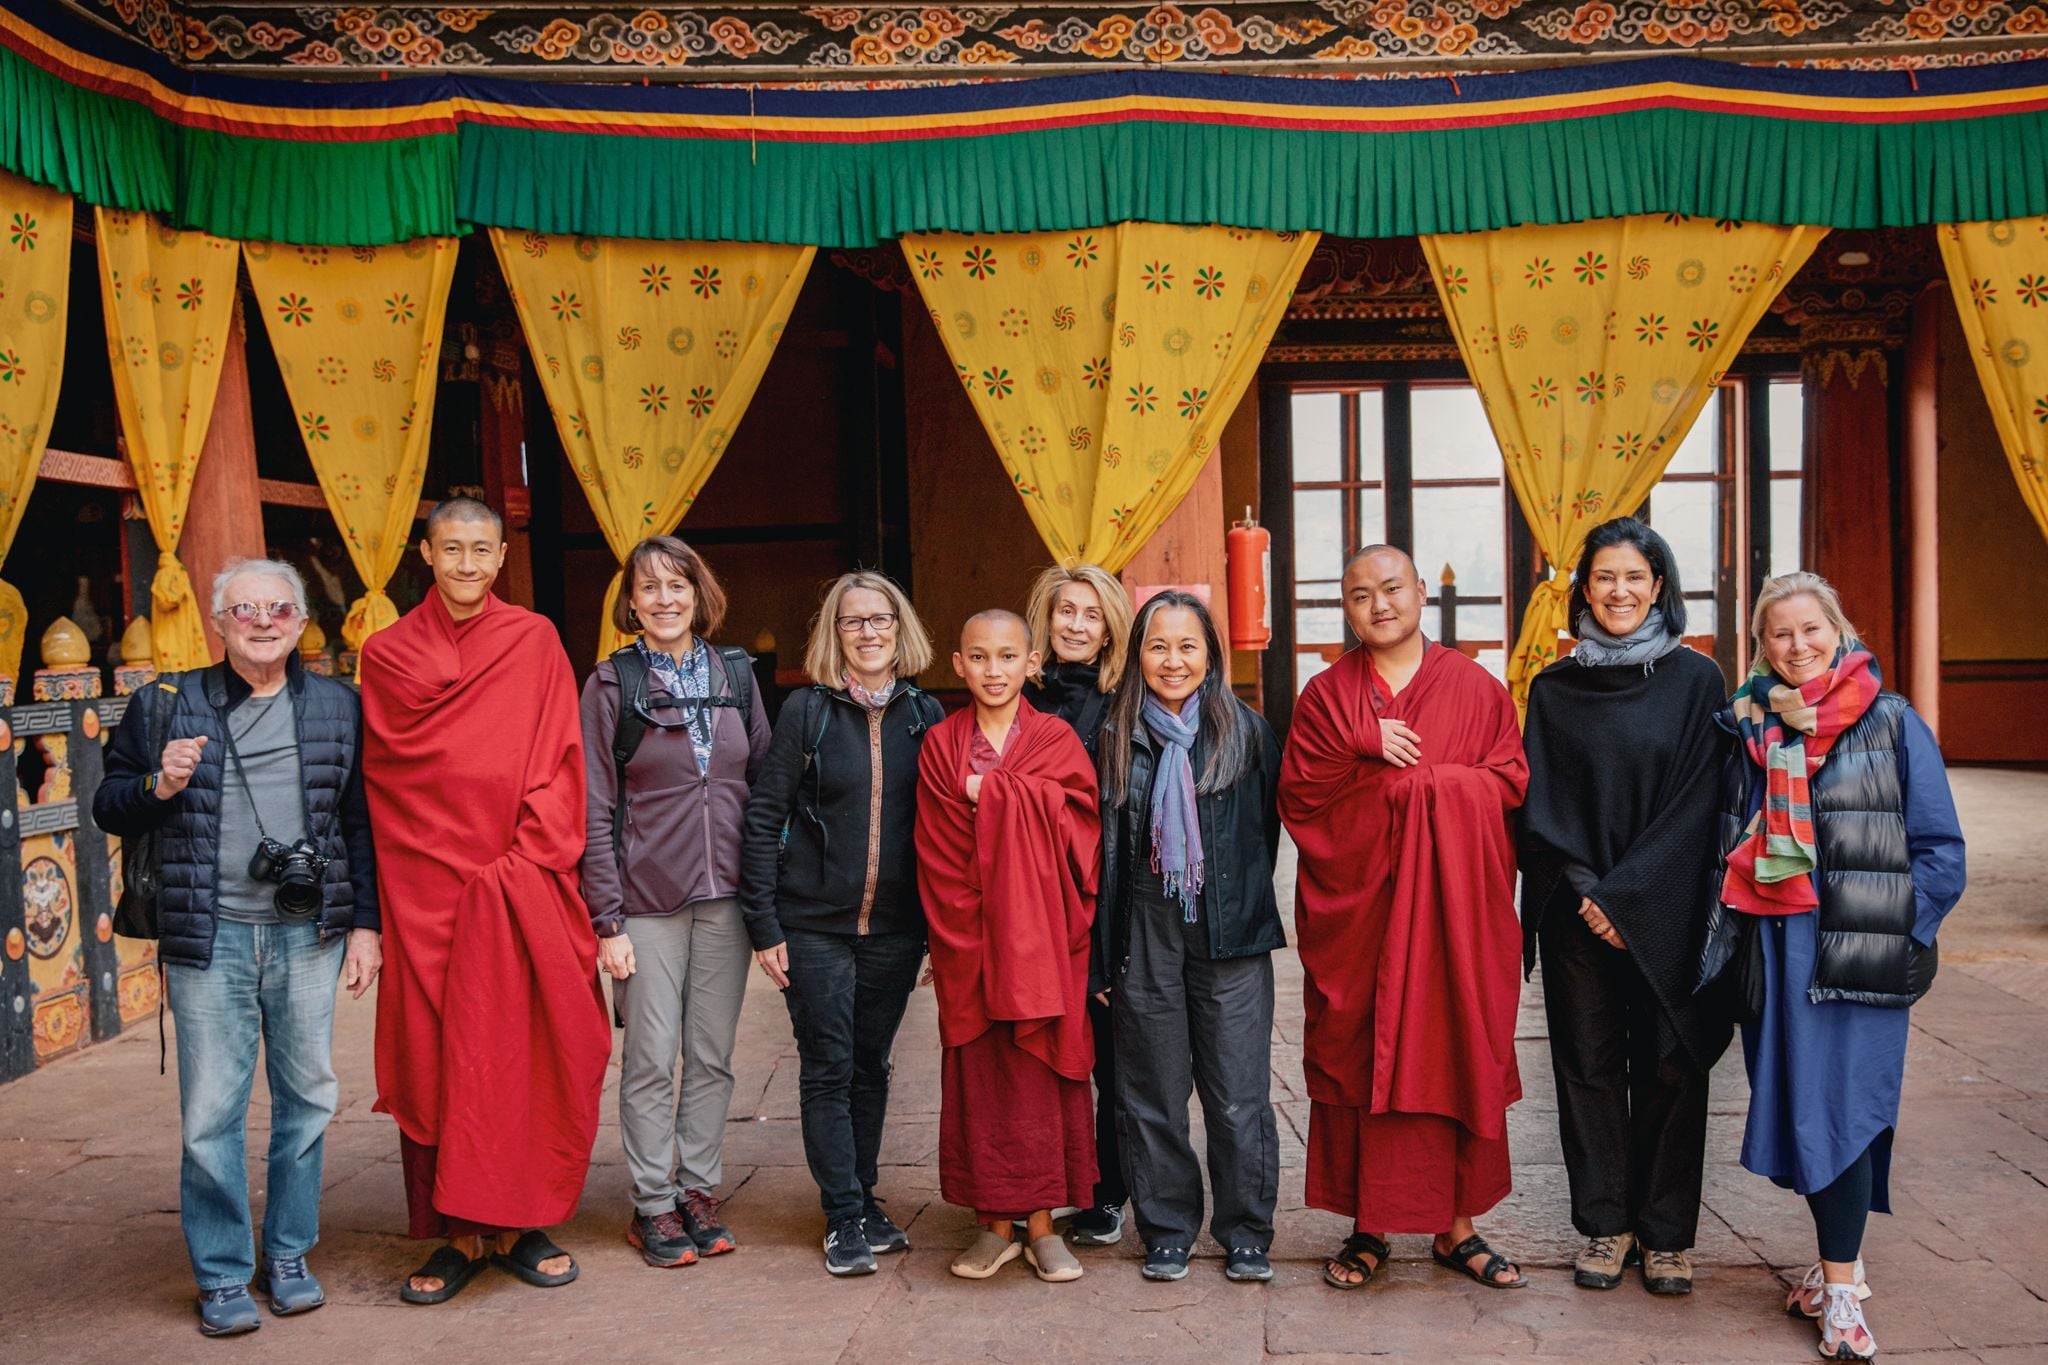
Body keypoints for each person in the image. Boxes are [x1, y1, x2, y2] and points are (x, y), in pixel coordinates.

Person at [94, 559, 380, 1337]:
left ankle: (288, 1255)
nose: (263, 620)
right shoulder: (167, 704)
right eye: (245, 608)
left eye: (278, 608)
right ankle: (221, 1272)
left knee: (309, 1099)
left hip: (306, 934)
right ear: (219, 622)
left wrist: (366, 926)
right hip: (209, 935)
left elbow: (359, 822)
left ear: (299, 622)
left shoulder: (336, 704)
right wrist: (158, 781)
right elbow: (108, 804)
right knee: (210, 1113)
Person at [1697, 572, 1965, 1361]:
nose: (1798, 645)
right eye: (1779, 634)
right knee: (1797, 1113)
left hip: (1859, 954)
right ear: (1761, 646)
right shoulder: (1748, 729)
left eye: (1811, 629)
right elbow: (1723, 835)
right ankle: (1832, 1261)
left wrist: (1897, 931)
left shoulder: (1891, 722)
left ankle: (1843, 1294)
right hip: (1777, 952)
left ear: (1839, 630)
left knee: (1842, 1112)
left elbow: (1940, 851)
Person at [359, 497, 611, 1305]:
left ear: (502, 557)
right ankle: (458, 1232)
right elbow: (387, 779)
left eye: (481, 550)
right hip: (425, 888)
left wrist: (526, 863)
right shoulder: (389, 655)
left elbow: (558, 762)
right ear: (424, 554)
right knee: (438, 1055)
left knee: (520, 1048)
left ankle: (523, 1221)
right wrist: (423, 881)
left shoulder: (532, 641)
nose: (467, 564)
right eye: (451, 549)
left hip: (516, 879)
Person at [1279, 545, 1529, 1294]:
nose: (1379, 604)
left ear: (1421, 591)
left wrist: (1427, 786)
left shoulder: (1477, 689)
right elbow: (1301, 798)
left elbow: (1509, 782)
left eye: (1392, 588)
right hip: (1364, 921)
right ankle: (1369, 1225)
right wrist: (1361, 749)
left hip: (1452, 921)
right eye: (1360, 594)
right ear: (1345, 609)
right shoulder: (1326, 697)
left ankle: (1457, 1229)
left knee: (1453, 1045)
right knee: (1363, 1052)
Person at [1520, 518, 1731, 1297]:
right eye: (1604, 577)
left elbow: (1701, 803)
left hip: (1668, 905)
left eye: (1634, 577)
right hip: (1578, 914)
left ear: (1660, 585)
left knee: (1675, 1064)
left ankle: (1668, 1235)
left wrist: (1630, 896)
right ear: (1583, 588)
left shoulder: (1696, 681)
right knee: (1589, 1066)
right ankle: (1606, 1225)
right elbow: (1540, 806)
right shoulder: (1554, 688)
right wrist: (1590, 893)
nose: (1619, 591)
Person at [738, 571, 944, 1277]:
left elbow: (947, 832)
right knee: (828, 1064)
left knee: (870, 1064)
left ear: (899, 626)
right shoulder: (807, 710)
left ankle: (863, 1192)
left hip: (895, 927)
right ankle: (844, 1213)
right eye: (852, 621)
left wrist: (940, 931)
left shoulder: (925, 714)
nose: (868, 631)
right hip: (814, 925)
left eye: (879, 618)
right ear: (835, 631)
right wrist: (763, 923)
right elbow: (764, 816)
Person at [581, 535, 771, 1268]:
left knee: (714, 1054)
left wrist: (765, 897)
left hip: (725, 896)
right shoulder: (610, 683)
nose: (664, 598)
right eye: (649, 587)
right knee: (653, 1056)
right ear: (630, 602)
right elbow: (595, 807)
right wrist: (607, 919)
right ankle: (653, 1202)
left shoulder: (735, 674)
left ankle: (698, 1187)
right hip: (646, 901)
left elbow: (762, 787)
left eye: (678, 585)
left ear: (700, 594)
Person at [1096, 590, 1284, 1284]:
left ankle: (1245, 1230)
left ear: (1210, 654)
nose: (1172, 660)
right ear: (1137, 654)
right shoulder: (1116, 737)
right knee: (1151, 1091)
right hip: (1144, 927)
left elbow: (1265, 828)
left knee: (1239, 1092)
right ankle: (1168, 1227)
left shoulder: (1246, 732)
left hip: (1229, 928)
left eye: (1187, 645)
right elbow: (1105, 852)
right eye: (1157, 645)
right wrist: (1103, 956)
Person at [916, 610, 1100, 1282]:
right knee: (984, 1080)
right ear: (959, 664)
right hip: (972, 940)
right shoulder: (941, 744)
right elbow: (935, 849)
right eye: (979, 657)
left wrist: (991, 792)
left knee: (1046, 1072)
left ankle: (1046, 1222)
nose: (994, 670)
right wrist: (1012, 799)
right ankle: (993, 1224)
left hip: (1046, 941)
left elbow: (1083, 828)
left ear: (1032, 663)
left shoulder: (1055, 738)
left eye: (1007, 656)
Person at [1021, 562, 1135, 1248]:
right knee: (1041, 1051)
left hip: (1107, 894)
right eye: (1065, 610)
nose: (1076, 624)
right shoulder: (1019, 696)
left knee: (1114, 1056)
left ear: (1110, 627)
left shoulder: (1122, 702)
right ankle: (1043, 1180)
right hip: (1034, 902)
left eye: (1092, 614)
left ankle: (1108, 1189)